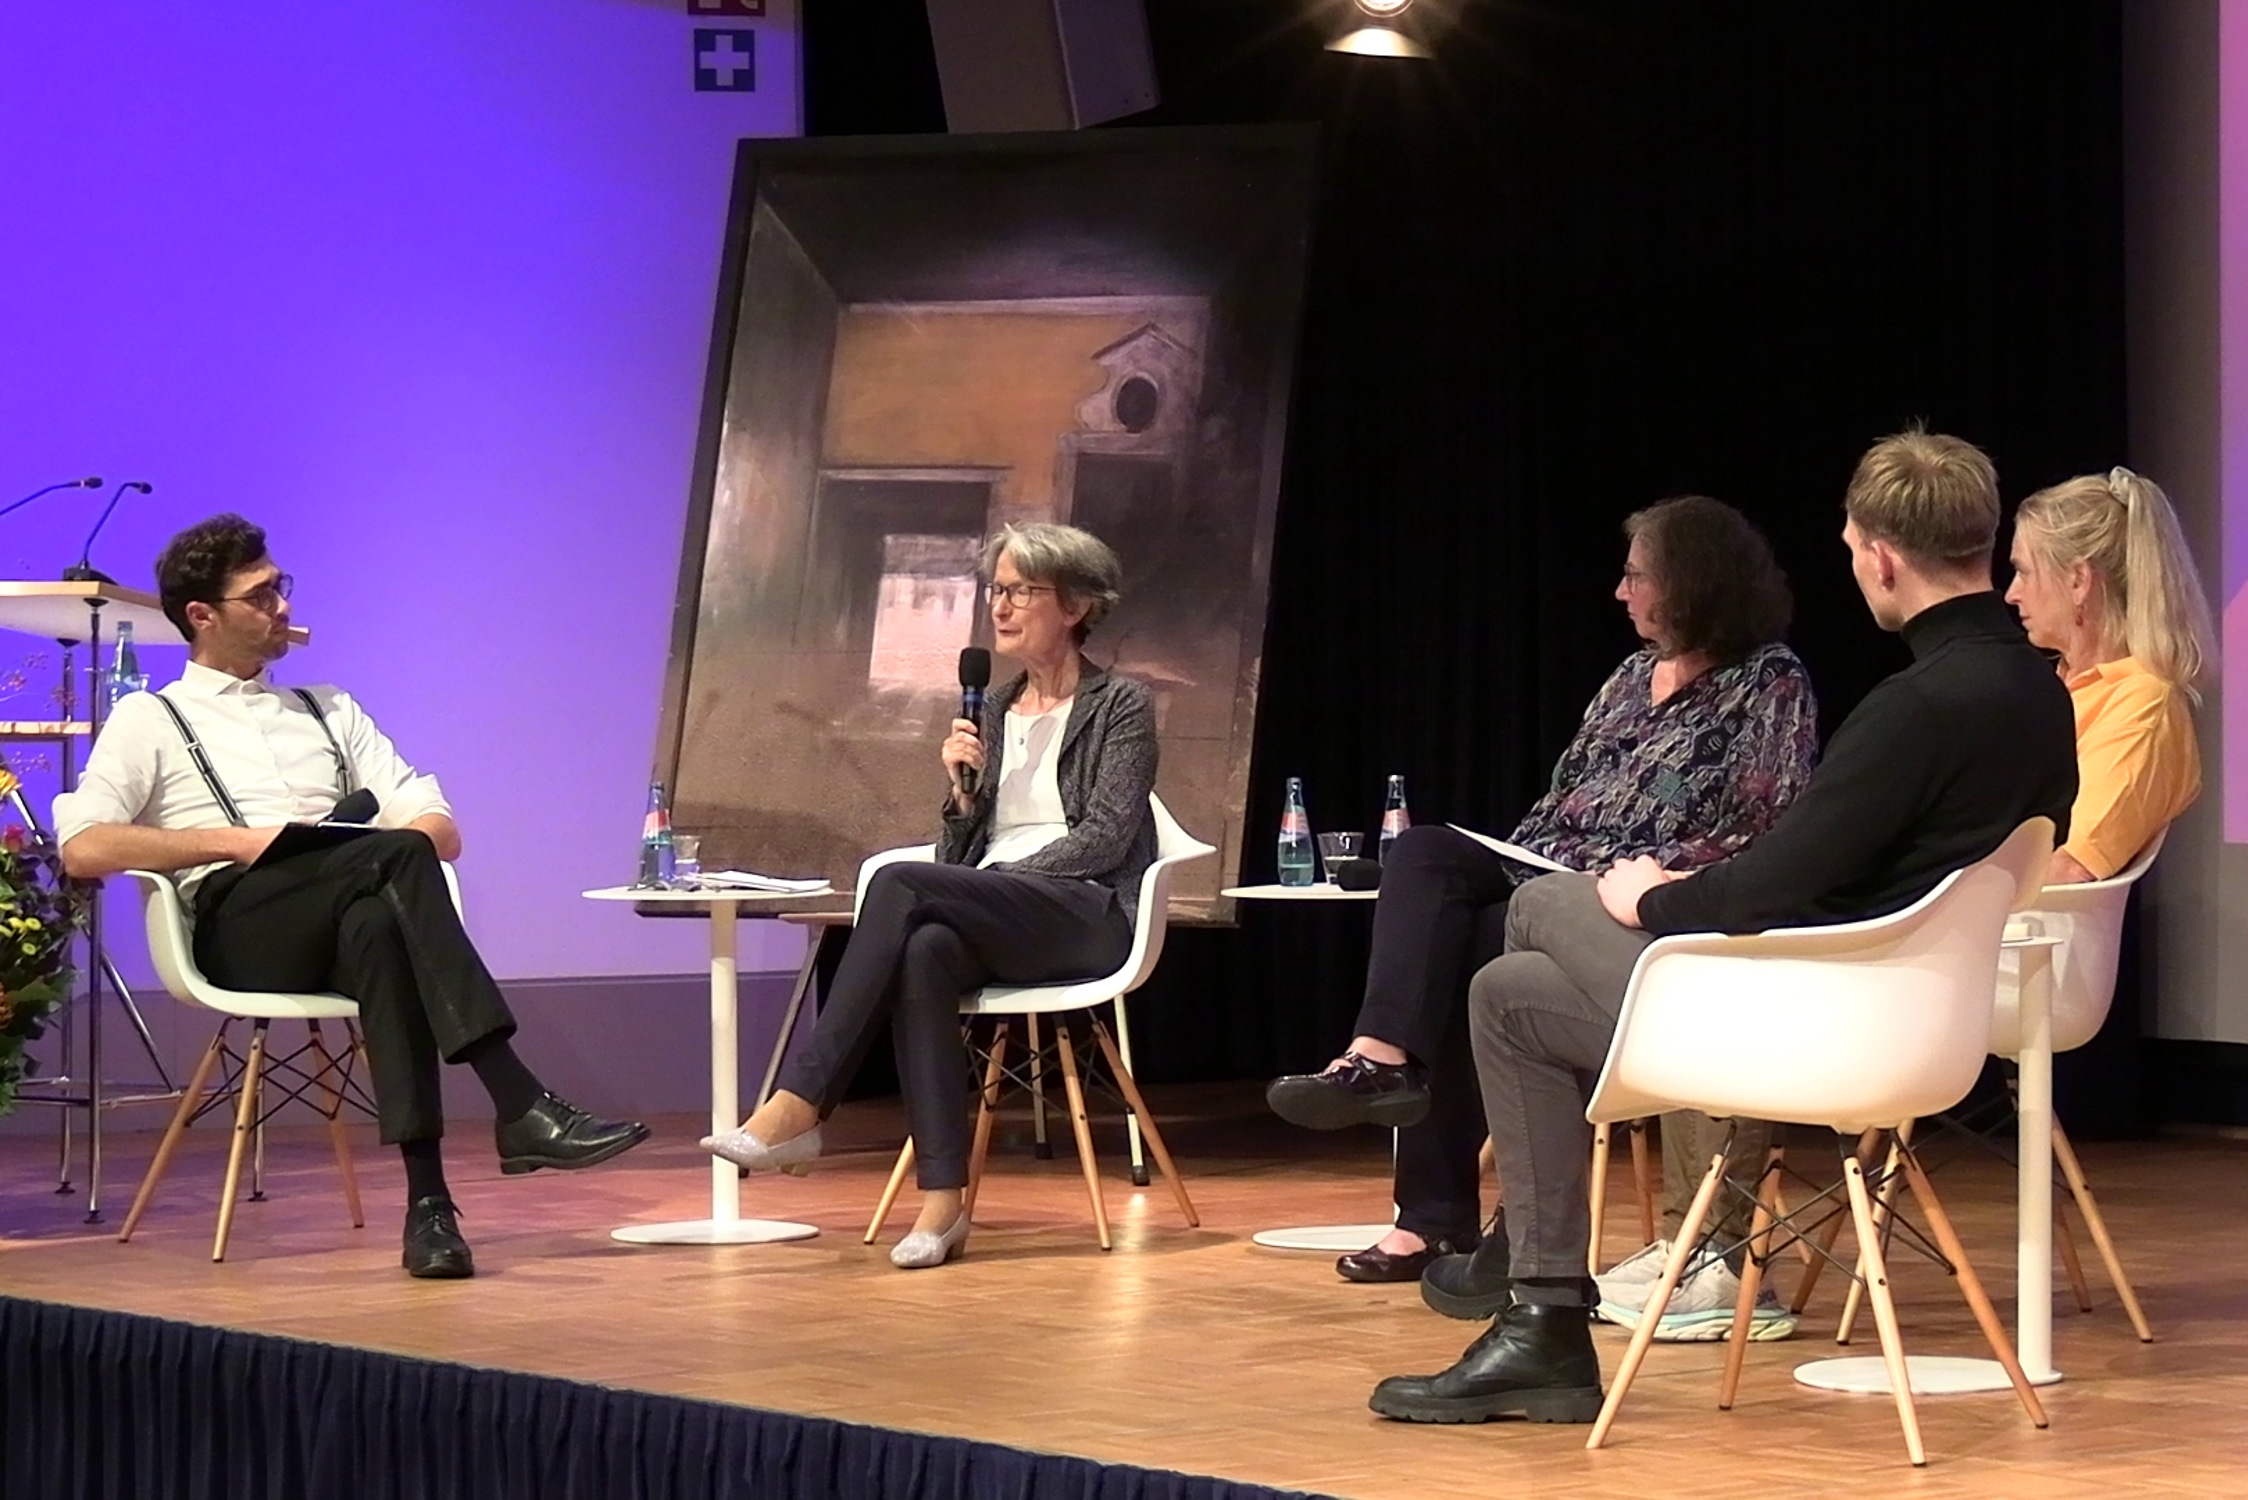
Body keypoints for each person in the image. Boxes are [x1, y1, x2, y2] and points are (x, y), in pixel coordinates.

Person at [1367, 428, 2077, 1424]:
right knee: (1507, 993)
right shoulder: (2038, 693)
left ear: (1880, 556)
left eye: (1851, 551)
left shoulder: (1917, 708)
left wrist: (1647, 899)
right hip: (1902, 1011)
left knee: (1536, 902)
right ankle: (1543, 1318)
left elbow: (1767, 886)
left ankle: (1524, 1266)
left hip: (1818, 1020)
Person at [55, 515, 648, 1281]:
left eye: (281, 586)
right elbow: (85, 846)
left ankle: (430, 1210)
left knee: (380, 922)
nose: (283, 606)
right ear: (201, 615)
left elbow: (436, 827)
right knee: (391, 863)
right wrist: (235, 841)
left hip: (345, 912)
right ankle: (518, 1100)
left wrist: (351, 847)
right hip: (240, 928)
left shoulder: (329, 709)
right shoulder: (153, 718)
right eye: (260, 595)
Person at [1264, 497, 1816, 1310]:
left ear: (1691, 583)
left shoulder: (1768, 680)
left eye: (1636, 577)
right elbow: (1562, 799)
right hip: (1546, 869)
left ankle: (1438, 1216)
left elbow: (1763, 825)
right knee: (1424, 857)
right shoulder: (1630, 677)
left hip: (1631, 905)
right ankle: (1379, 1061)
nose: (1620, 593)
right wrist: (1515, 859)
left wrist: (1648, 881)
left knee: (1474, 955)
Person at [703, 522, 1155, 1270]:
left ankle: (801, 1103)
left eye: (1021, 591)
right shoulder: (992, 708)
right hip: (998, 907)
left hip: (1084, 910)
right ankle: (944, 1205)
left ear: (1075, 606)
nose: (1000, 606)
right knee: (925, 950)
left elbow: (1108, 836)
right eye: (996, 590)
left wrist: (1001, 881)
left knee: (899, 882)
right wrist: (962, 796)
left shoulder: (1121, 705)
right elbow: (956, 858)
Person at [2004, 467, 2213, 883]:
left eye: (2024, 572)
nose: (2011, 594)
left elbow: (2068, 867)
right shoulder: (2065, 685)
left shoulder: (2144, 705)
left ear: (2078, 581)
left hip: (2026, 921)